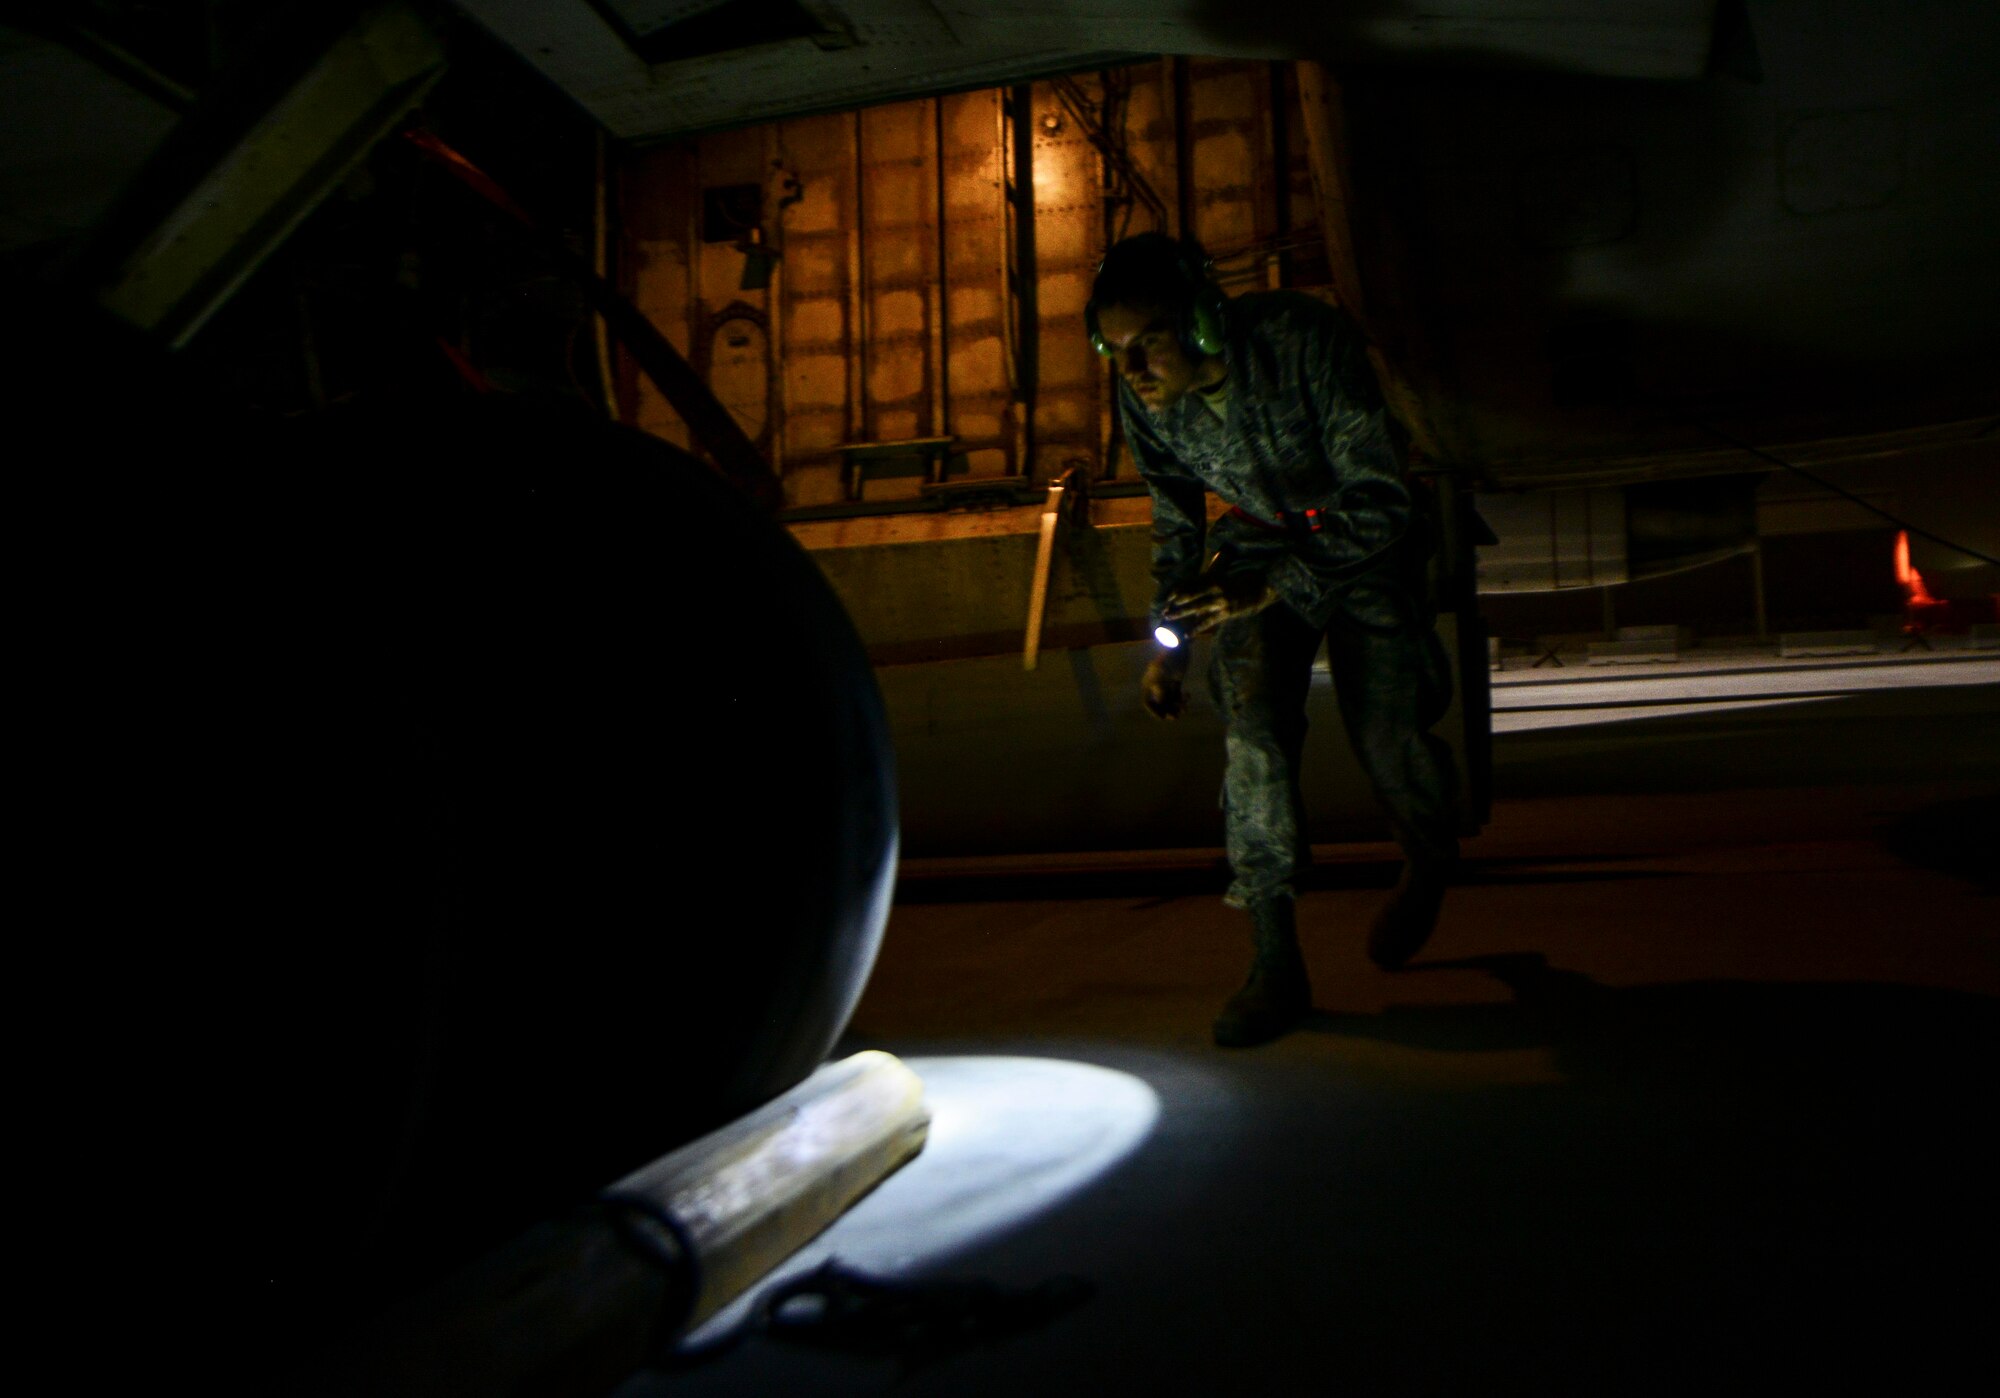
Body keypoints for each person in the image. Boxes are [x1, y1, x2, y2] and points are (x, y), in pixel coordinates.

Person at [1087, 231, 1459, 1047]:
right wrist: (1169, 646)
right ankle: (1273, 957)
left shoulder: (1303, 340)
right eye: (1114, 350)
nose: (1133, 369)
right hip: (1257, 537)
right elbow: (1175, 519)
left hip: (1359, 537)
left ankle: (1429, 857)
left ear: (1203, 325)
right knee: (1252, 727)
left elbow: (1381, 497)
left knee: (1386, 729)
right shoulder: (1144, 402)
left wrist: (1277, 584)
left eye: (1148, 342)